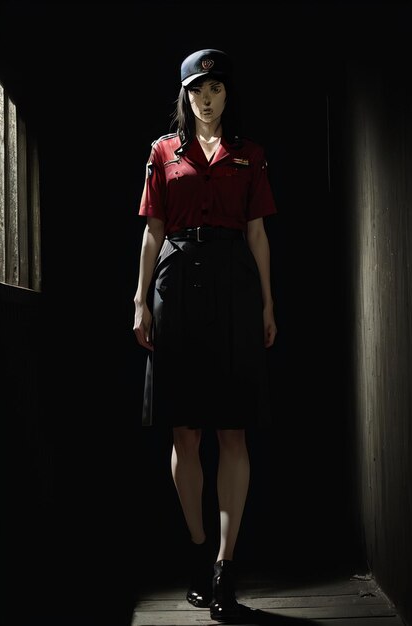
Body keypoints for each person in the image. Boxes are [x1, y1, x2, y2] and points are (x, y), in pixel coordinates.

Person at [133, 48, 277, 622]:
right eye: (197, 89)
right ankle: (195, 551)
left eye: (216, 87)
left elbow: (259, 234)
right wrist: (140, 297)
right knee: (186, 431)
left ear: (227, 93)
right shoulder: (163, 153)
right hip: (176, 285)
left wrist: (268, 302)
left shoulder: (251, 156)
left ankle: (225, 565)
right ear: (185, 95)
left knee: (233, 430)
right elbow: (153, 231)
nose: (207, 98)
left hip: (234, 288)